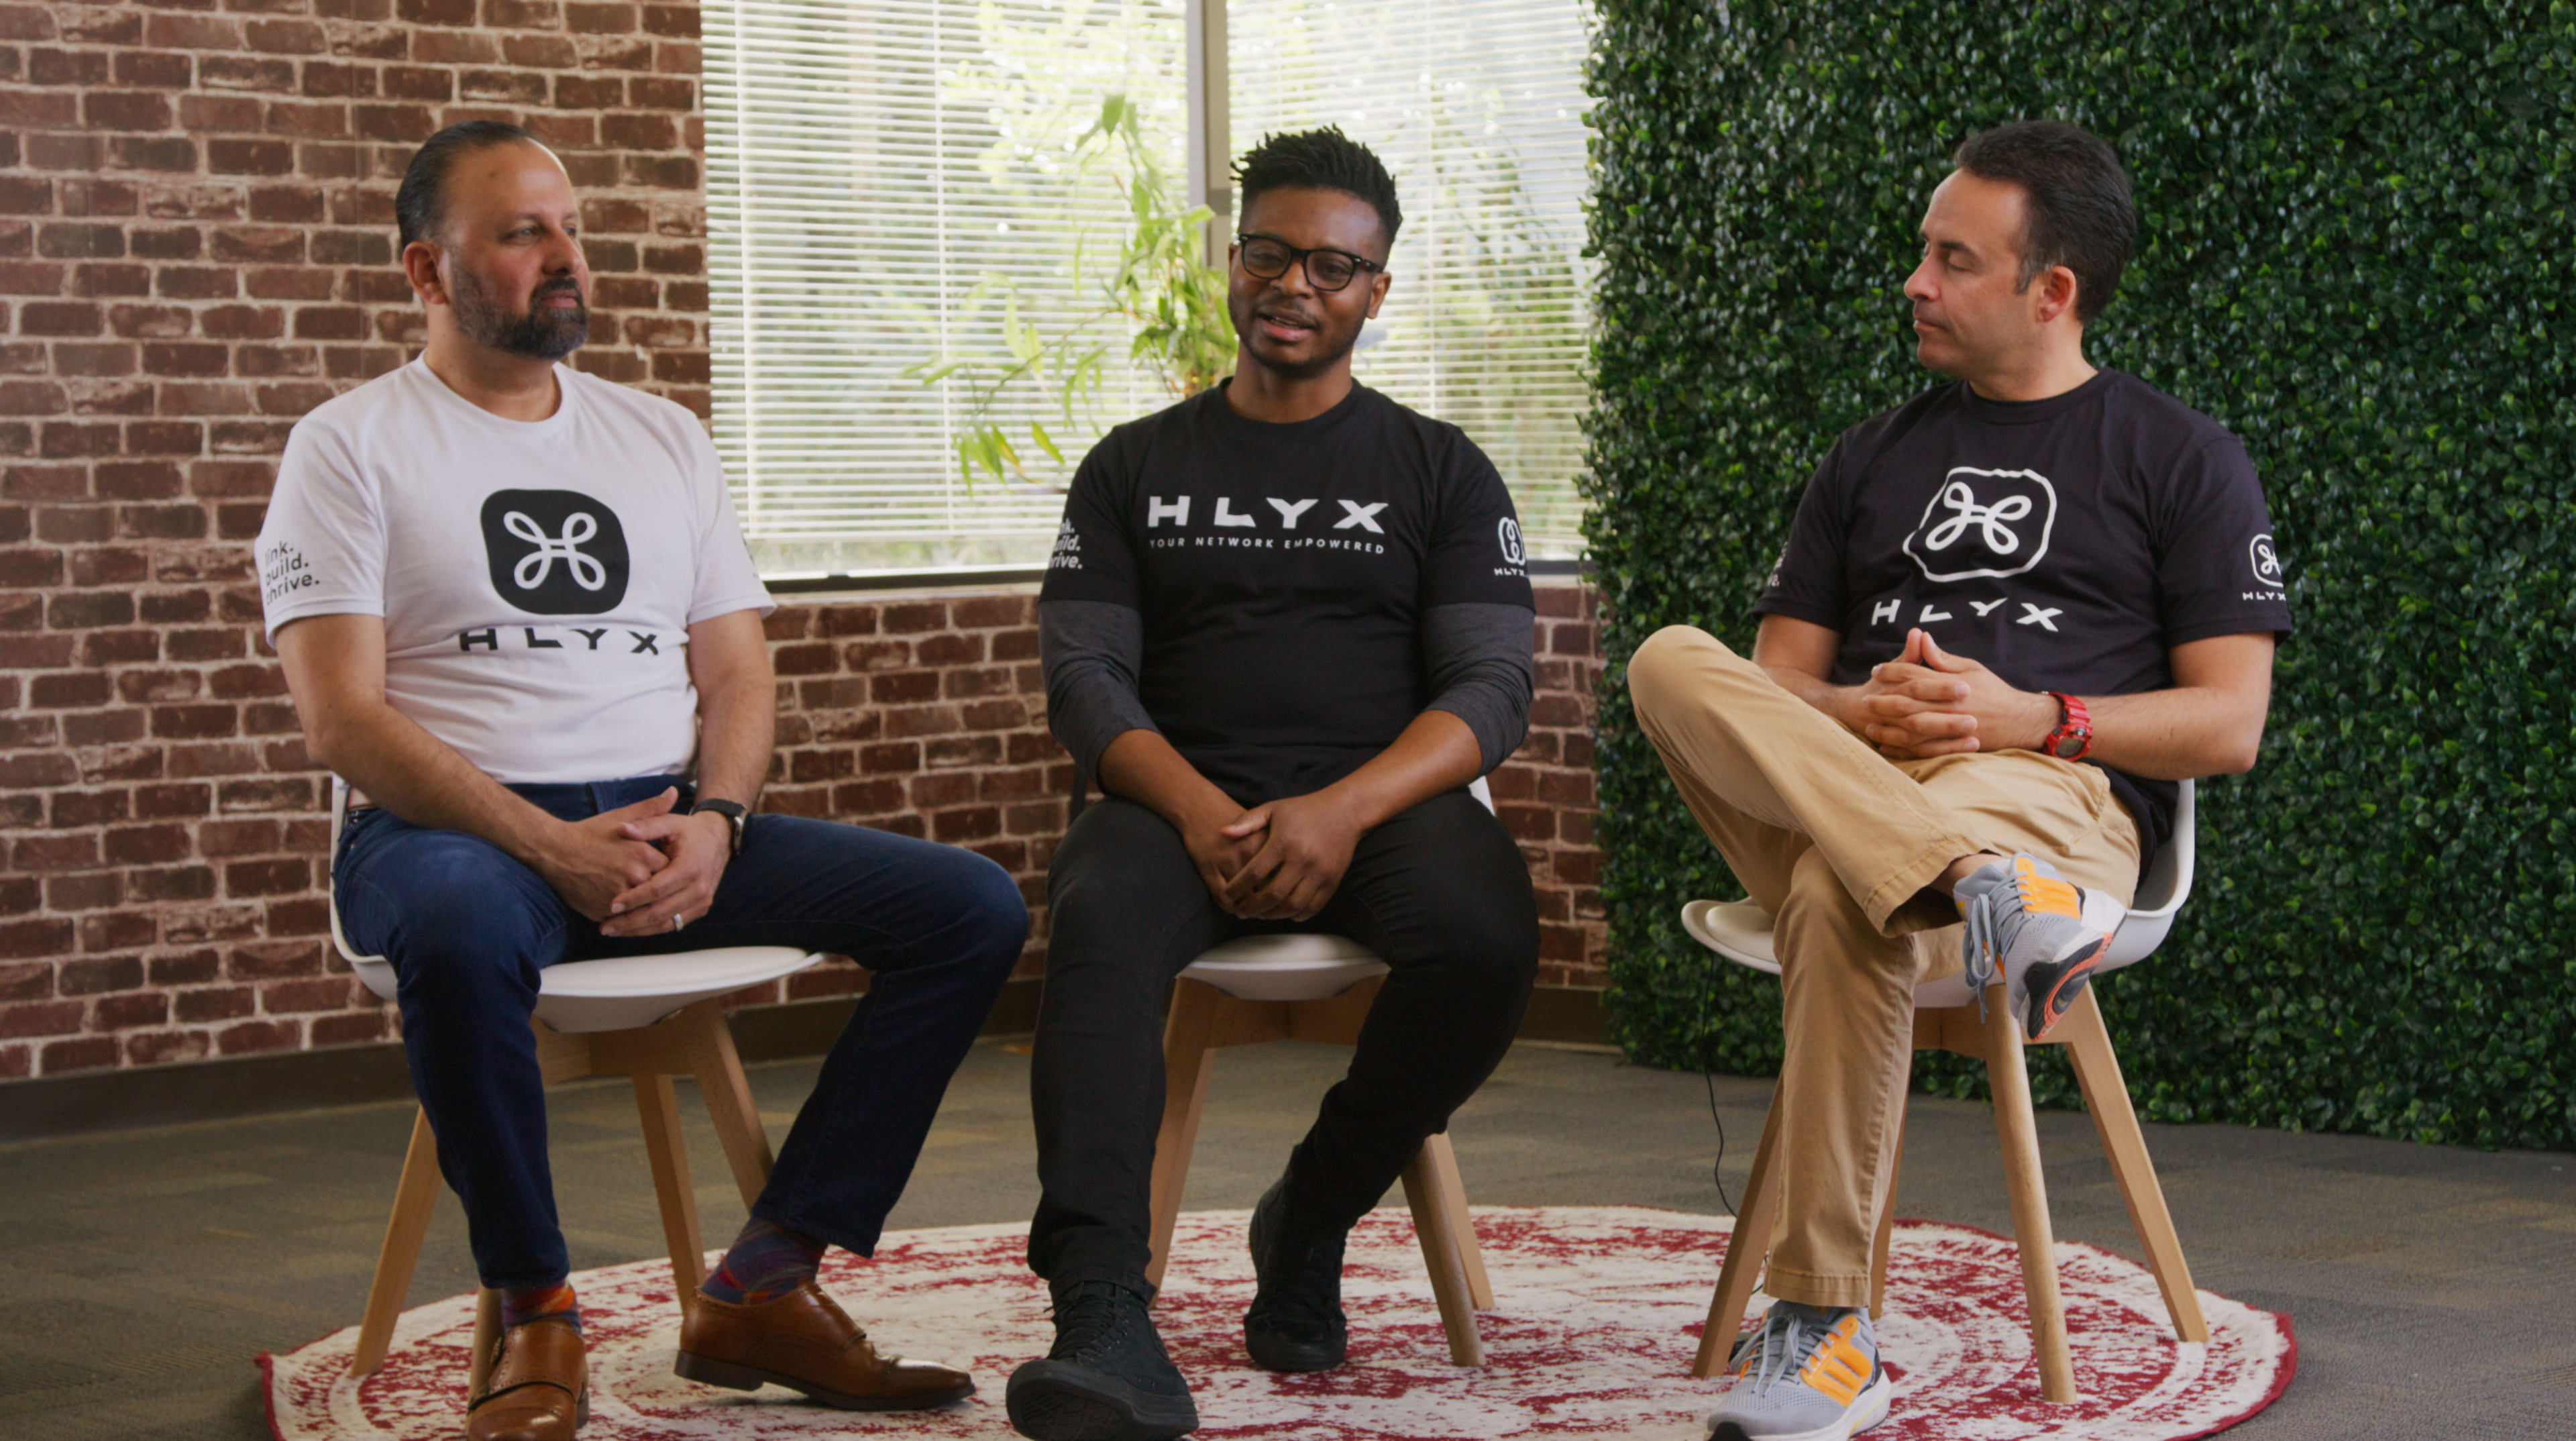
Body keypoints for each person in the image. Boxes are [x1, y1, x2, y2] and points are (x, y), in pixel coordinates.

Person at [260, 121, 1026, 1441]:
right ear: (426, 272)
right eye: (521, 234)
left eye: (569, 228)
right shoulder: (350, 447)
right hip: (452, 833)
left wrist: (718, 821)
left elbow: (736, 673)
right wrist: (547, 847)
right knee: (457, 924)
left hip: (663, 823)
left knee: (970, 908)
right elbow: (342, 719)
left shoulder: (660, 438)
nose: (566, 256)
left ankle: (765, 1283)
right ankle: (536, 1311)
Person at [1625, 120, 2290, 1441]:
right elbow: (1773, 687)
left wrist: (2031, 716)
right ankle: (1967, 884)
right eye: (1923, 253)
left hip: (2038, 793)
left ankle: (1824, 1330)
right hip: (1852, 781)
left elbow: (2232, 723)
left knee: (1842, 897)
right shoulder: (1869, 455)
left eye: (1954, 260)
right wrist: (1860, 709)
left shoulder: (2179, 457)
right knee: (1667, 660)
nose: (1915, 282)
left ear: (2053, 290)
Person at [1000, 127, 1542, 1441]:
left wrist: (1342, 809)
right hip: (1169, 806)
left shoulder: (1439, 469)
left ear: (1376, 289)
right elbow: (1084, 681)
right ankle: (1101, 1312)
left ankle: (1310, 1211)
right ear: (1232, 262)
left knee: (1485, 937)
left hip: (1380, 809)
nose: (1295, 283)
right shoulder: (1133, 466)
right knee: (1099, 922)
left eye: (1332, 266)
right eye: (1269, 253)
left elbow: (1491, 689)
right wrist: (1199, 810)